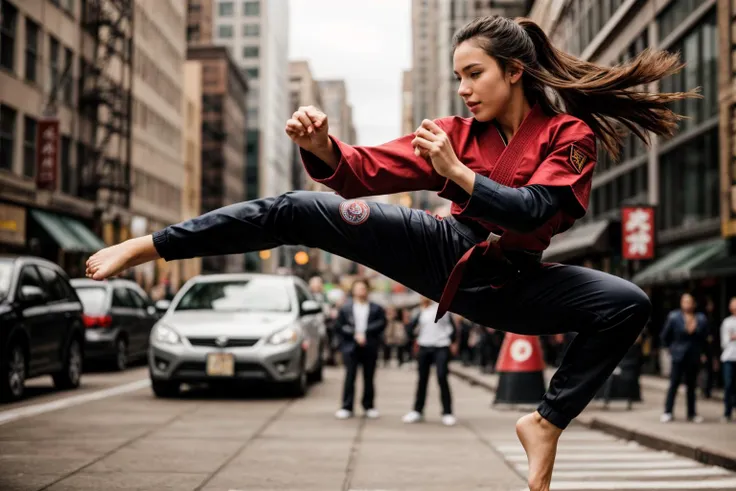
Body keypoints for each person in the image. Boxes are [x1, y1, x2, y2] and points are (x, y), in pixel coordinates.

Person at [84, 15, 696, 491]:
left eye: (474, 74)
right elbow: (363, 170)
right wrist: (325, 147)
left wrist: (458, 175)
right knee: (298, 208)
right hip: (441, 250)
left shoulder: (569, 136)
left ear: (514, 71)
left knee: (627, 302)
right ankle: (149, 244)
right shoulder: (452, 135)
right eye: (458, 76)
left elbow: (537, 211)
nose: (463, 89)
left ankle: (545, 421)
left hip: (515, 283)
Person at [332, 278, 386, 419]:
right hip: (351, 346)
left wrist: (365, 333)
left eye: (363, 288)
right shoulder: (346, 308)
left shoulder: (376, 308)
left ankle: (369, 405)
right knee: (350, 376)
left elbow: (381, 323)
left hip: (369, 346)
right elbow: (339, 326)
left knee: (369, 377)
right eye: (358, 288)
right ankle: (347, 406)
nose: (361, 291)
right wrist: (354, 335)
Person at [402, 297, 459, 426]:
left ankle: (447, 412)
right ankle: (417, 410)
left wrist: (452, 341)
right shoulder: (418, 311)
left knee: (442, 376)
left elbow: (453, 329)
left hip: (441, 346)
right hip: (424, 347)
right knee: (422, 379)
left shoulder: (441, 308)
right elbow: (410, 330)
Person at [660, 293, 709, 423]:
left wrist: (703, 353)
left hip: (694, 355)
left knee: (692, 386)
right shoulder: (674, 317)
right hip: (678, 355)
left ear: (694, 304)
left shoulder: (701, 318)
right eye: (684, 301)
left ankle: (691, 413)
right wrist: (671, 350)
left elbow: (704, 338)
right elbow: (665, 336)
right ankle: (668, 411)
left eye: (689, 301)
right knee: (674, 384)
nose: (687, 304)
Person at [720, 297, 736, 422]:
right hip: (729, 358)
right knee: (728, 385)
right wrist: (732, 337)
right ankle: (727, 412)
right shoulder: (727, 322)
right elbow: (724, 342)